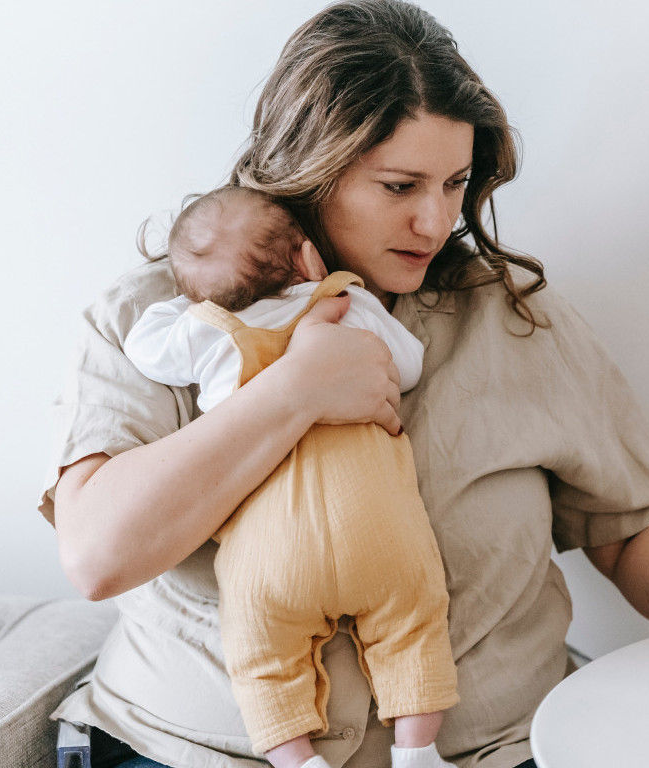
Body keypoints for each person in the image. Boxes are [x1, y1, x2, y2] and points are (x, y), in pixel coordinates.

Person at [42, 2, 649, 767]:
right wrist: (292, 393)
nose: (435, 222)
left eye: (455, 184)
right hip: (197, 750)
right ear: (307, 171)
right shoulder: (159, 321)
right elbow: (98, 555)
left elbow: (626, 522)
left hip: (496, 749)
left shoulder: (514, 321)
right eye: (400, 187)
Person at [122, 185, 458, 768]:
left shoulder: (210, 331)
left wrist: (192, 301)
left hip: (270, 552)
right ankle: (418, 751)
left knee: (261, 658)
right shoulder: (346, 302)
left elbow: (144, 347)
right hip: (377, 527)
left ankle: (297, 760)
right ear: (307, 258)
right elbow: (406, 365)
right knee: (415, 625)